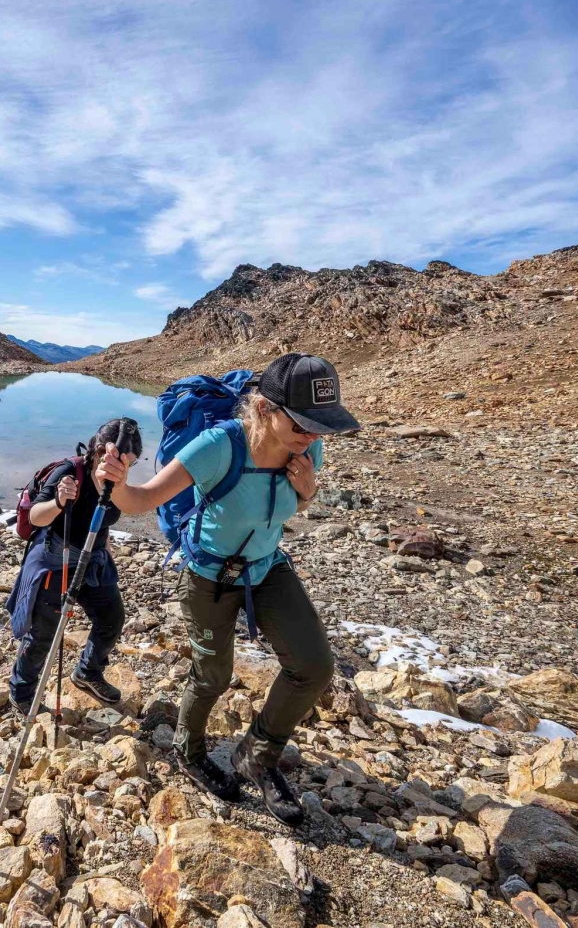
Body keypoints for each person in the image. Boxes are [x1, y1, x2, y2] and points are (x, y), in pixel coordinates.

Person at [95, 354, 359, 827]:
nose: (313, 436)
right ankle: (188, 751)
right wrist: (114, 481)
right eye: (302, 424)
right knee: (212, 677)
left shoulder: (307, 449)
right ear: (263, 409)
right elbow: (141, 500)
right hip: (209, 577)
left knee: (314, 667)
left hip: (267, 568)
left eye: (320, 426)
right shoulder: (217, 446)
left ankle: (256, 756)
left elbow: (288, 508)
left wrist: (309, 491)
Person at [7, 417, 143, 712]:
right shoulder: (69, 473)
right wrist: (58, 502)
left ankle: (88, 672)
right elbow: (35, 517)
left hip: (94, 560)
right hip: (58, 561)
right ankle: (22, 692)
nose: (125, 470)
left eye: (131, 464)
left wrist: (106, 552)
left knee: (111, 619)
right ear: (100, 452)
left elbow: (104, 521)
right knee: (43, 635)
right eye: (123, 462)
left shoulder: (116, 482)